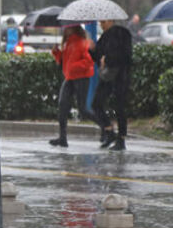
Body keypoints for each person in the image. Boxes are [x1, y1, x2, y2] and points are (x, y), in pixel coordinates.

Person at [49, 25, 96, 147]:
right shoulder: (68, 43)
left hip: (81, 78)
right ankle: (62, 137)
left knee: (83, 109)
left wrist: (74, 67)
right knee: (62, 106)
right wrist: (56, 52)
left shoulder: (81, 43)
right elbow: (63, 62)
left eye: (67, 28)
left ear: (74, 29)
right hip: (69, 78)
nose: (65, 30)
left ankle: (106, 127)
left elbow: (89, 61)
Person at [90, 19, 133, 151]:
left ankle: (121, 139)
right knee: (96, 103)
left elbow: (125, 55)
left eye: (103, 22)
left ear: (111, 20)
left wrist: (107, 59)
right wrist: (91, 49)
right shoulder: (104, 36)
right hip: (107, 75)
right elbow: (97, 55)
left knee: (119, 106)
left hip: (120, 75)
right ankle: (109, 131)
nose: (101, 25)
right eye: (100, 23)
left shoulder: (123, 34)